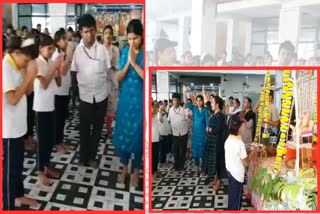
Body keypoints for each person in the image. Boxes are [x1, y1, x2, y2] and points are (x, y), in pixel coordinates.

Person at [3, 36, 39, 210]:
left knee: (18, 167)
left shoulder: (17, 65)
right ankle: (8, 206)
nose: (26, 64)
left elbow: (29, 90)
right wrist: (28, 77)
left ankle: (19, 196)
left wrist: (29, 76)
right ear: (16, 52)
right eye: (25, 60)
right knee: (9, 173)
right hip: (9, 130)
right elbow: (12, 99)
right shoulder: (6, 67)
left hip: (19, 127)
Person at [71, 14, 111, 168]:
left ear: (96, 30)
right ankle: (83, 157)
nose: (90, 34)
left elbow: (109, 71)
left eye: (92, 31)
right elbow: (74, 72)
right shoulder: (77, 51)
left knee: (97, 129)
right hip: (85, 97)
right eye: (86, 31)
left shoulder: (102, 50)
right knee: (84, 129)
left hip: (101, 96)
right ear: (81, 32)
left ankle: (93, 156)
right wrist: (76, 92)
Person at [113, 19, 144, 187]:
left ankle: (136, 169)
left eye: (136, 38)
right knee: (124, 135)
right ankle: (125, 167)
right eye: (130, 39)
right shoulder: (124, 51)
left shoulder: (146, 54)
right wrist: (127, 64)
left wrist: (134, 63)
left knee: (138, 137)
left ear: (142, 36)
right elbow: (117, 77)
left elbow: (146, 76)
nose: (133, 42)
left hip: (140, 103)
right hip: (125, 102)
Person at [34, 33, 62, 185]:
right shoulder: (36, 62)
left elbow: (57, 83)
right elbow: (44, 84)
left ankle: (46, 166)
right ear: (40, 48)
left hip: (50, 106)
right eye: (48, 48)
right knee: (42, 141)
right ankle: (39, 172)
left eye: (52, 48)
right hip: (40, 108)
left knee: (49, 139)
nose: (51, 51)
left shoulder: (49, 62)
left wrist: (57, 69)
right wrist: (55, 66)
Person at [225, 115, 253, 210]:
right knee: (236, 200)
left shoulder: (229, 139)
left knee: (232, 196)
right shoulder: (239, 144)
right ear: (239, 128)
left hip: (230, 172)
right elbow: (246, 163)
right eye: (242, 125)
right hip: (237, 175)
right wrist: (253, 153)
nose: (243, 127)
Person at [53, 29, 74, 154]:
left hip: (65, 91)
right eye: (64, 39)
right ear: (57, 41)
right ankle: (56, 143)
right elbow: (62, 71)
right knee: (58, 119)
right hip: (57, 92)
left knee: (62, 119)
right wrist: (69, 55)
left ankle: (60, 141)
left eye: (67, 38)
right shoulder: (56, 54)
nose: (67, 41)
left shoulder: (62, 52)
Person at [202, 96, 226, 190]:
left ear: (217, 105)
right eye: (211, 103)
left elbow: (218, 129)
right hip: (211, 142)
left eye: (212, 103)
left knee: (218, 161)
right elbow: (207, 104)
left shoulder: (220, 115)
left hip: (217, 142)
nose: (211, 104)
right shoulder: (213, 113)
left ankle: (219, 180)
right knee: (214, 162)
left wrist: (210, 129)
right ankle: (215, 178)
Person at [185, 93, 209, 176]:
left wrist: (207, 130)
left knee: (203, 152)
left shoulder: (205, 110)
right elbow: (187, 105)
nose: (198, 102)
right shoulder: (194, 109)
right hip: (195, 134)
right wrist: (191, 99)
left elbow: (207, 122)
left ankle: (203, 169)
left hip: (203, 134)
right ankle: (196, 169)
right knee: (195, 153)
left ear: (203, 101)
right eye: (197, 101)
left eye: (200, 100)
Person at [103, 25, 120, 138]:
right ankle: (103, 128)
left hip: (113, 81)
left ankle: (110, 130)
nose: (108, 35)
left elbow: (118, 66)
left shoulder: (116, 49)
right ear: (103, 35)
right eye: (106, 33)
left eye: (110, 33)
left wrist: (112, 65)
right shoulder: (99, 48)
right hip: (102, 81)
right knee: (102, 107)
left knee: (112, 108)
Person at [168, 93, 189, 171]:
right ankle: (176, 165)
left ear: (179, 101)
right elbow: (169, 120)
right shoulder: (170, 110)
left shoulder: (183, 110)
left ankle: (182, 165)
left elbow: (187, 119)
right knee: (176, 150)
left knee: (183, 151)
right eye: (174, 100)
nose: (175, 102)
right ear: (172, 101)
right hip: (175, 134)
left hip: (184, 133)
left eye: (177, 100)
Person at [158, 101, 171, 167]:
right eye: (162, 105)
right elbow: (161, 121)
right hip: (161, 134)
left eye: (164, 105)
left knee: (164, 149)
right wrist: (160, 112)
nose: (164, 106)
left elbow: (166, 122)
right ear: (159, 106)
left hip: (166, 133)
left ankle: (163, 162)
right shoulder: (159, 113)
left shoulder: (164, 113)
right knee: (162, 150)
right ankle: (161, 163)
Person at [152, 102, 162, 178]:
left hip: (156, 140)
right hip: (150, 141)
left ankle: (155, 172)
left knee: (156, 157)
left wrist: (160, 112)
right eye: (153, 107)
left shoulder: (157, 115)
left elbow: (161, 121)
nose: (154, 109)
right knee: (152, 158)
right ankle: (152, 173)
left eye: (156, 107)